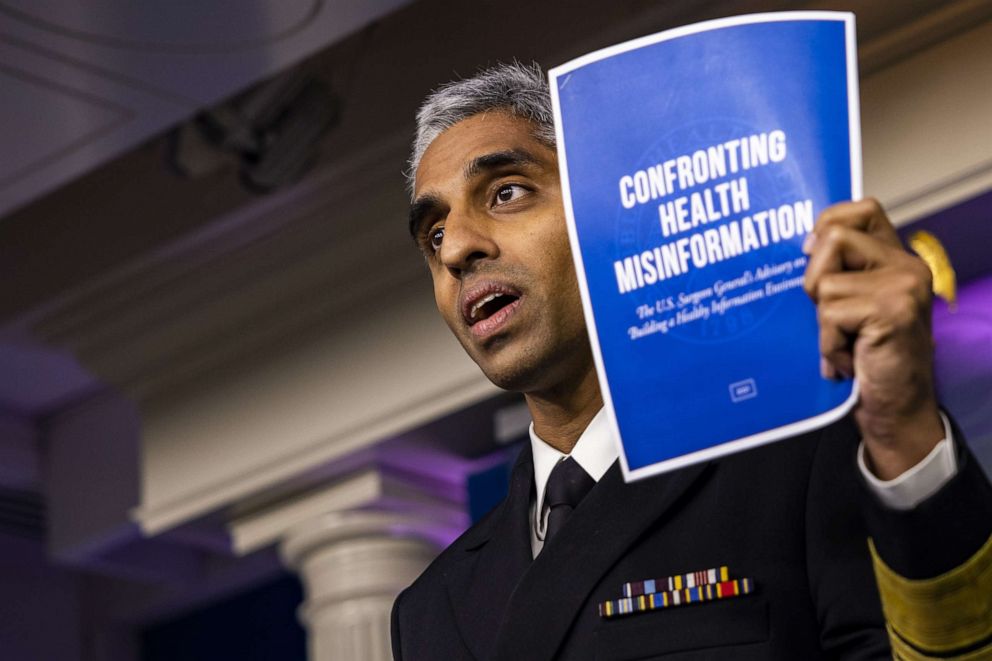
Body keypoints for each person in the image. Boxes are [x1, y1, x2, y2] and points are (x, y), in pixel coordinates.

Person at [391, 62, 992, 660]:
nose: (459, 249)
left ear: (608, 218)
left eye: (506, 193)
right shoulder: (429, 609)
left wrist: (906, 431)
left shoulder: (803, 461)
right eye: (435, 234)